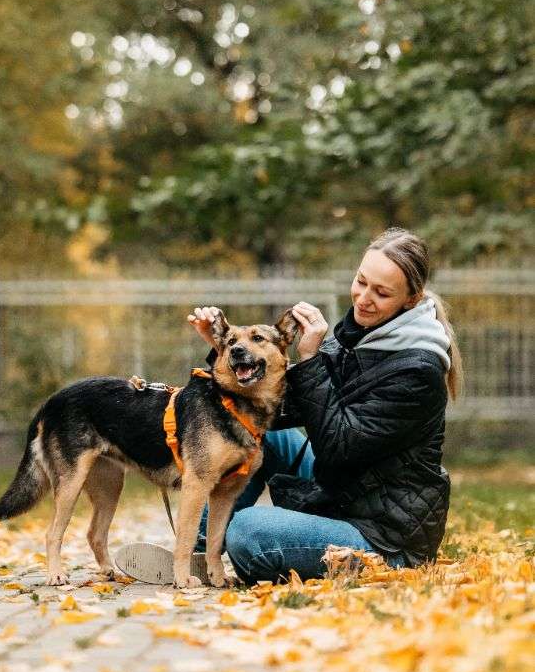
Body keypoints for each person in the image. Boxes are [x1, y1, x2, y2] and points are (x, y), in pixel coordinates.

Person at [115, 228, 462, 586]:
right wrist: (226, 353)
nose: (363, 298)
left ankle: (235, 547)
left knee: (249, 530)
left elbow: (340, 447)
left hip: (383, 536)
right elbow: (275, 406)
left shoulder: (416, 370)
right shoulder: (359, 333)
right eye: (361, 281)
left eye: (382, 292)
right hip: (347, 492)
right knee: (252, 433)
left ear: (410, 299)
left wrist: (310, 359)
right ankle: (201, 552)